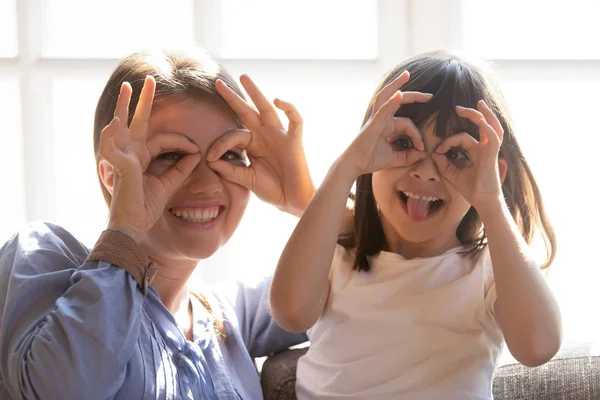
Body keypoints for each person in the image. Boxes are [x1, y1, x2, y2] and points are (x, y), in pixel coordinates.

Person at [0, 47, 315, 399]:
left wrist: (310, 204)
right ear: (110, 174)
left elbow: (368, 288)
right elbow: (64, 390)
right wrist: (126, 232)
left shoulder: (229, 313)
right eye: (171, 155)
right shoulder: (44, 253)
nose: (207, 184)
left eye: (229, 155)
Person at [271, 51, 562, 399]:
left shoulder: (488, 270)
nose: (425, 171)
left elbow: (538, 346)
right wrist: (345, 167)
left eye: (455, 154)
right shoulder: (336, 253)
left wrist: (491, 200)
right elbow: (291, 313)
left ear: (493, 174)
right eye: (404, 143)